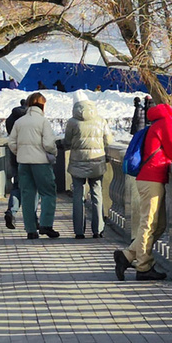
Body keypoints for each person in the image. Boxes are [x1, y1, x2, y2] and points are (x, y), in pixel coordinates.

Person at [114, 96, 172, 281]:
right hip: (152, 179)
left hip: (151, 178)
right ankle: (143, 267)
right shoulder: (167, 123)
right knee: (148, 225)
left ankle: (127, 255)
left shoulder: (162, 120)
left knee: (159, 225)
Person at [7, 92, 60, 239]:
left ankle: (31, 230)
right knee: (48, 193)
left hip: (23, 163)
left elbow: (11, 142)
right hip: (41, 163)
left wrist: (20, 152)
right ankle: (46, 225)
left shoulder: (19, 122)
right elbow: (49, 144)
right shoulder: (43, 122)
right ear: (42, 105)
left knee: (27, 195)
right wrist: (53, 153)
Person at [64, 99, 112, 239]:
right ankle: (98, 230)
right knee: (97, 194)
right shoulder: (101, 121)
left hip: (77, 163)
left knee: (78, 196)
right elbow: (108, 141)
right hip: (96, 163)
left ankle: (79, 231)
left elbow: (67, 141)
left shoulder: (72, 122)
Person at [2, 97, 29, 230]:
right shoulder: (30, 119)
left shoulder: (11, 118)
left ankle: (11, 211)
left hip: (15, 156)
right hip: (30, 157)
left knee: (17, 186)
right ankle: (32, 220)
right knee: (31, 189)